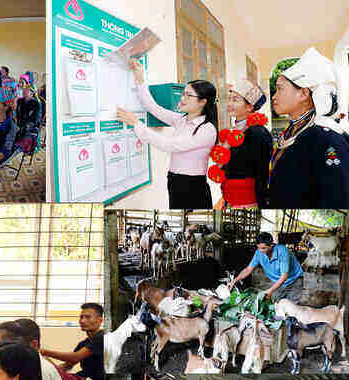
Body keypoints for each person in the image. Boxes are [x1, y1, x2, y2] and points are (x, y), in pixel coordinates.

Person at [117, 59, 218, 208]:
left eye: (188, 95)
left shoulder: (207, 129)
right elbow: (152, 107)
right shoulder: (182, 120)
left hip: (193, 186)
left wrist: (137, 124)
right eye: (183, 94)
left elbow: (170, 145)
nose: (182, 98)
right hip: (174, 182)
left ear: (203, 102)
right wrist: (139, 79)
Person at [269, 49, 349, 209]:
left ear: (304, 93)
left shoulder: (326, 138)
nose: (274, 96)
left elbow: (337, 197)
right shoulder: (294, 130)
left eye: (280, 89)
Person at [218, 79, 272, 208]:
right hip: (229, 197)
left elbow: (262, 172)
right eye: (229, 99)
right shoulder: (234, 130)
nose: (229, 103)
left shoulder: (258, 133)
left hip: (247, 200)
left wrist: (262, 204)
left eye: (235, 100)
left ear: (250, 106)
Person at [40, 303, 105, 380]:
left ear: (100, 320)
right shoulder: (83, 344)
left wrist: (44, 352)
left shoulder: (103, 337)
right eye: (81, 317)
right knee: (46, 367)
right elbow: (67, 365)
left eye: (88, 317)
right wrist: (48, 368)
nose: (82, 321)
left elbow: (74, 357)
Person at [228, 231, 304, 303]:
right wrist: (235, 280)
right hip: (278, 282)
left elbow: (284, 276)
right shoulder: (259, 253)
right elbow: (248, 269)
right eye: (258, 248)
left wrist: (270, 290)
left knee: (291, 308)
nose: (260, 251)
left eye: (263, 248)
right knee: (277, 306)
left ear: (271, 245)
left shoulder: (282, 251)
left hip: (294, 281)